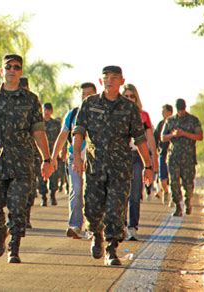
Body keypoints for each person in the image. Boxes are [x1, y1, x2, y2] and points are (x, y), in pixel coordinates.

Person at [0, 54, 52, 264]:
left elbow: (38, 131)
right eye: (9, 67)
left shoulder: (31, 100)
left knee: (18, 208)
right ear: (2, 71)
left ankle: (14, 247)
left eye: (17, 67)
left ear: (21, 72)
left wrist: (47, 159)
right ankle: (0, 231)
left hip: (22, 162)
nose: (12, 70)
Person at [72, 66, 153, 266]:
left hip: (120, 169)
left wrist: (148, 165)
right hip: (94, 166)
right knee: (92, 209)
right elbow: (79, 132)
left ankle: (111, 248)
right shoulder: (89, 104)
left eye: (114, 78)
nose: (110, 81)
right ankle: (96, 235)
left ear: (121, 81)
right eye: (106, 77)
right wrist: (76, 157)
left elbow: (140, 139)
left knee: (116, 210)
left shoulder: (129, 108)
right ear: (101, 81)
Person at [50, 82, 96, 239]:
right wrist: (53, 157)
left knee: (91, 193)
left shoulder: (101, 113)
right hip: (74, 158)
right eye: (83, 95)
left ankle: (92, 227)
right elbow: (63, 136)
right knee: (76, 190)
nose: (86, 98)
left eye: (89, 94)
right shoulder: (73, 114)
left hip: (95, 159)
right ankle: (75, 225)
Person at [121, 83, 158, 241]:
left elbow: (149, 138)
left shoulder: (143, 116)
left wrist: (153, 158)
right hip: (120, 156)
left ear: (136, 98)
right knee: (120, 193)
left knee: (135, 193)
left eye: (132, 96)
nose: (129, 99)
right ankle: (120, 225)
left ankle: (132, 227)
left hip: (137, 156)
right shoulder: (117, 113)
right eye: (126, 96)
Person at [161, 98, 203, 216]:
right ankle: (178, 206)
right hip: (173, 157)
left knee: (188, 184)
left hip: (188, 158)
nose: (181, 112)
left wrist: (184, 133)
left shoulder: (193, 120)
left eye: (183, 109)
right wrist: (172, 135)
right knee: (174, 182)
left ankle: (188, 201)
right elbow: (162, 137)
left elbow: (200, 136)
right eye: (179, 110)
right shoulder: (170, 121)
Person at [20, 76, 41, 229]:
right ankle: (17, 216)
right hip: (12, 155)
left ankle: (25, 216)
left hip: (31, 154)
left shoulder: (32, 103)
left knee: (30, 188)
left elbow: (39, 130)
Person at [38, 103, 61, 206]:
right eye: (44, 110)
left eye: (48, 110)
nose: (46, 112)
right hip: (41, 154)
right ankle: (43, 197)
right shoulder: (38, 124)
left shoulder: (56, 124)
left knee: (54, 176)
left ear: (51, 111)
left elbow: (61, 138)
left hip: (53, 154)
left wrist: (62, 151)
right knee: (41, 176)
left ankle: (52, 195)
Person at [154, 104, 173, 205]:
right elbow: (155, 137)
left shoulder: (175, 123)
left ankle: (174, 198)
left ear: (170, 112)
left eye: (164, 111)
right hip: (162, 153)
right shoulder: (160, 124)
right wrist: (155, 151)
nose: (162, 113)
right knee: (162, 178)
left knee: (173, 177)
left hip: (173, 154)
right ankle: (165, 191)